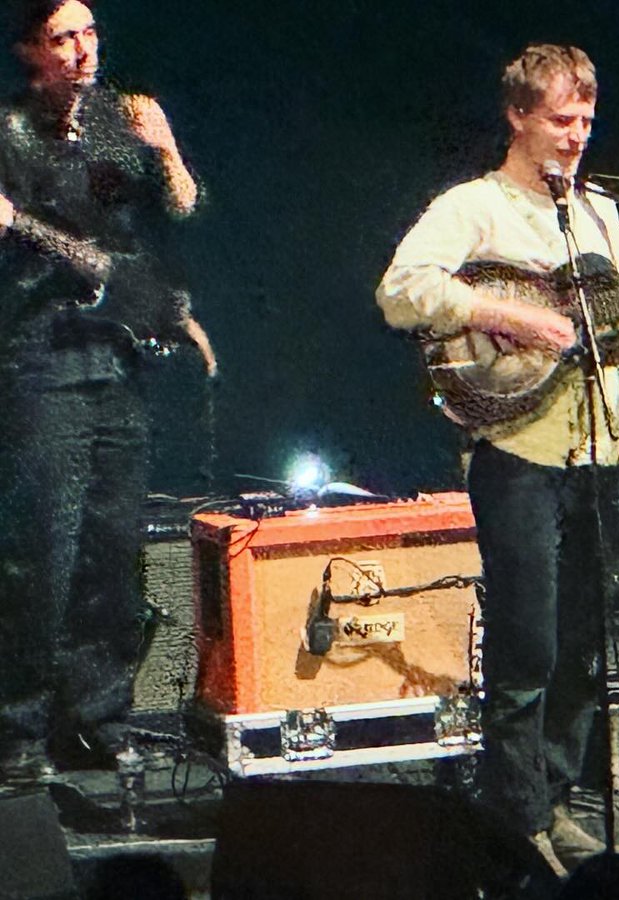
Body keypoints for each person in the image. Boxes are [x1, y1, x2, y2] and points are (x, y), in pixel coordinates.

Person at [376, 44, 619, 874]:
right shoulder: (474, 207)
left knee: (584, 647)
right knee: (527, 644)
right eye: (561, 120)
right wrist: (510, 315)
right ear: (519, 117)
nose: (575, 136)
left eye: (587, 122)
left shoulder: (597, 215)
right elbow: (400, 290)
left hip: (602, 450)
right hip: (519, 455)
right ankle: (514, 814)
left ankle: (558, 800)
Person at [0, 0, 216, 772]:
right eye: (64, 37)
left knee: (112, 548)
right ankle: (17, 730)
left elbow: (181, 212)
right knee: (40, 553)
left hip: (118, 361)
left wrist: (167, 150)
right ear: (32, 51)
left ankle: (98, 717)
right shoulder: (9, 135)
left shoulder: (124, 124)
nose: (84, 50)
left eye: (90, 33)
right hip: (41, 360)